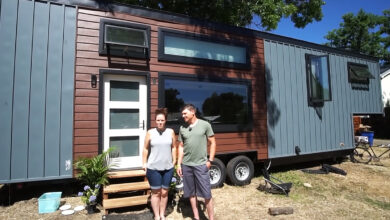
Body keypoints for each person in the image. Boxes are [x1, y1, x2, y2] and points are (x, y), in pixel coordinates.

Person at [176, 104, 216, 220]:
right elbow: (181, 146)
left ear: (193, 112)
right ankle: (196, 216)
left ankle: (211, 218)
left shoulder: (205, 125)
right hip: (187, 165)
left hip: (201, 165)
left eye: (185, 113)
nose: (183, 116)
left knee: (207, 194)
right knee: (191, 193)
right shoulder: (182, 127)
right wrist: (179, 164)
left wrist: (210, 160)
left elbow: (213, 142)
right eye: (182, 114)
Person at [142, 108, 177, 220]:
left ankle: (162, 214)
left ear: (165, 120)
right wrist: (144, 163)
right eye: (158, 120)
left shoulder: (170, 132)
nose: (160, 122)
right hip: (153, 168)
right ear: (155, 121)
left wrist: (174, 160)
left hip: (168, 168)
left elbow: (174, 147)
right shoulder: (150, 133)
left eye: (162, 120)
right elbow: (145, 149)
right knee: (156, 193)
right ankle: (157, 216)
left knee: (165, 193)